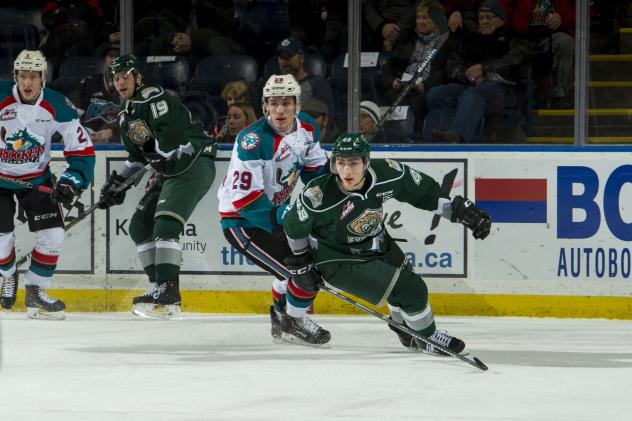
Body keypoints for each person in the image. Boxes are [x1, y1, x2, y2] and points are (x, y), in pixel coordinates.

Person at [282, 133, 492, 353]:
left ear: (366, 162)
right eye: (341, 163)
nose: (346, 171)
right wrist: (302, 261)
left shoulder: (388, 173)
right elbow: (293, 225)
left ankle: (404, 328)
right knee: (412, 289)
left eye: (353, 163)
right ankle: (428, 338)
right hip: (339, 258)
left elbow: (425, 194)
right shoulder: (318, 194)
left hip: (376, 242)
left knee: (403, 274)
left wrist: (458, 211)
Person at [97, 55, 216, 318]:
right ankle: (159, 292)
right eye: (116, 78)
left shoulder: (152, 97)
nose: (120, 82)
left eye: (125, 76)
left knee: (165, 225)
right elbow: (137, 159)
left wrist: (155, 151)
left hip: (193, 161)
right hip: (172, 171)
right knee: (140, 226)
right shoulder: (125, 116)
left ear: (138, 77)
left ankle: (168, 290)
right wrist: (118, 183)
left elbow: (170, 139)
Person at [217, 73, 330, 345]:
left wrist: (331, 195)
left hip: (277, 213)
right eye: (273, 103)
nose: (279, 110)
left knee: (304, 265)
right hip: (243, 222)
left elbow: (316, 173)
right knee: (299, 272)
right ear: (265, 105)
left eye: (286, 103)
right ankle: (292, 321)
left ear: (297, 104)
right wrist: (286, 218)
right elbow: (245, 199)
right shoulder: (252, 140)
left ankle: (281, 316)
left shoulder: (308, 128)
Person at [0, 50, 95, 319]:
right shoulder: (0, 96)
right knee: (1, 242)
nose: (27, 83)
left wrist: (71, 181)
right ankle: (8, 275)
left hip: (36, 179)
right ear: (15, 76)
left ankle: (35, 291)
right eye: (21, 76)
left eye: (32, 77)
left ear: (43, 78)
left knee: (54, 236)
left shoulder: (58, 105)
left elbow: (81, 150)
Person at [427, 0, 530, 143]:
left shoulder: (513, 38)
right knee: (435, 94)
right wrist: (469, 76)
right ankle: (439, 136)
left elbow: (513, 61)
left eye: (489, 17)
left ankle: (458, 135)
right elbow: (453, 64)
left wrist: (484, 69)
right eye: (481, 18)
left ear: (500, 20)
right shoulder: (470, 39)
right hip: (470, 86)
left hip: (502, 90)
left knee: (473, 94)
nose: (484, 22)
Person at [381, 0, 453, 131]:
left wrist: (423, 85)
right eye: (418, 17)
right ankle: (393, 138)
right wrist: (393, 82)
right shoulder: (408, 40)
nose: (420, 21)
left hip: (426, 88)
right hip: (403, 86)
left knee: (416, 100)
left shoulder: (447, 42)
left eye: (425, 18)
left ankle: (412, 138)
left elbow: (446, 71)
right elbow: (390, 65)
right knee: (389, 94)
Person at [68, 43, 121, 144]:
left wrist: (112, 132)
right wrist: (82, 131)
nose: (114, 60)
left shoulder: (129, 88)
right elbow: (74, 112)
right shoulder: (90, 83)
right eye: (111, 56)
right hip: (88, 136)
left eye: (117, 57)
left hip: (114, 138)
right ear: (105, 59)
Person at [275, 38, 335, 118]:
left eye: (289, 56)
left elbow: (325, 119)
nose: (285, 61)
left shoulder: (318, 84)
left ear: (301, 58)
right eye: (281, 57)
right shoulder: (274, 86)